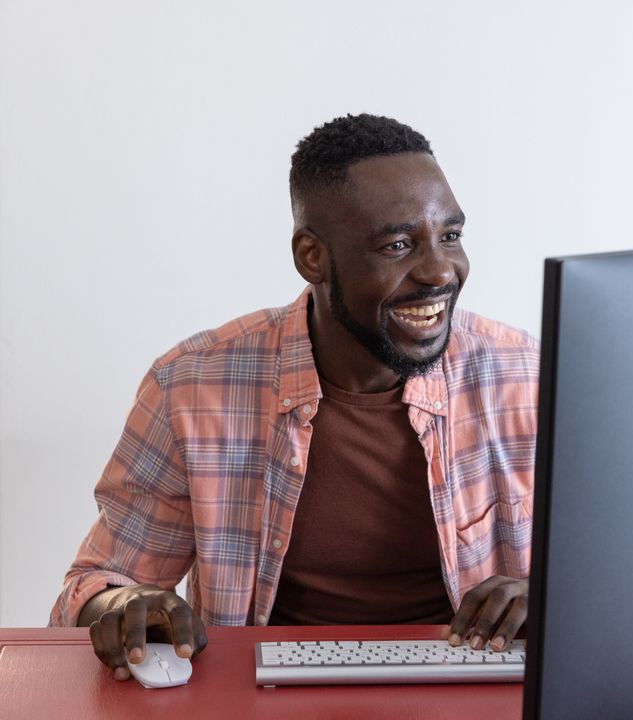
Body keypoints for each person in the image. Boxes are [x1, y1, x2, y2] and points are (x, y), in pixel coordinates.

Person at [49, 114, 539, 681]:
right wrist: (122, 607)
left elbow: (627, 573)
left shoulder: (524, 375)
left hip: (472, 686)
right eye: (398, 244)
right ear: (312, 257)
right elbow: (96, 583)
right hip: (267, 690)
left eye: (450, 236)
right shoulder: (190, 387)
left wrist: (552, 596)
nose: (439, 271)